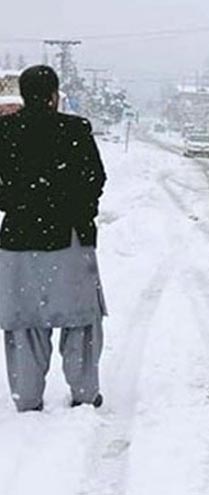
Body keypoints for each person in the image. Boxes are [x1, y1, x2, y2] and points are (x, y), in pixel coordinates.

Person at [0, 65, 107, 412]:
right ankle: (84, 393)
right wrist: (79, 209)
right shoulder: (75, 130)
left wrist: (17, 203)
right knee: (80, 322)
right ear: (53, 96)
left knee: (25, 323)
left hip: (18, 242)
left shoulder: (5, 132)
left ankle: (28, 397)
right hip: (70, 240)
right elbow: (96, 178)